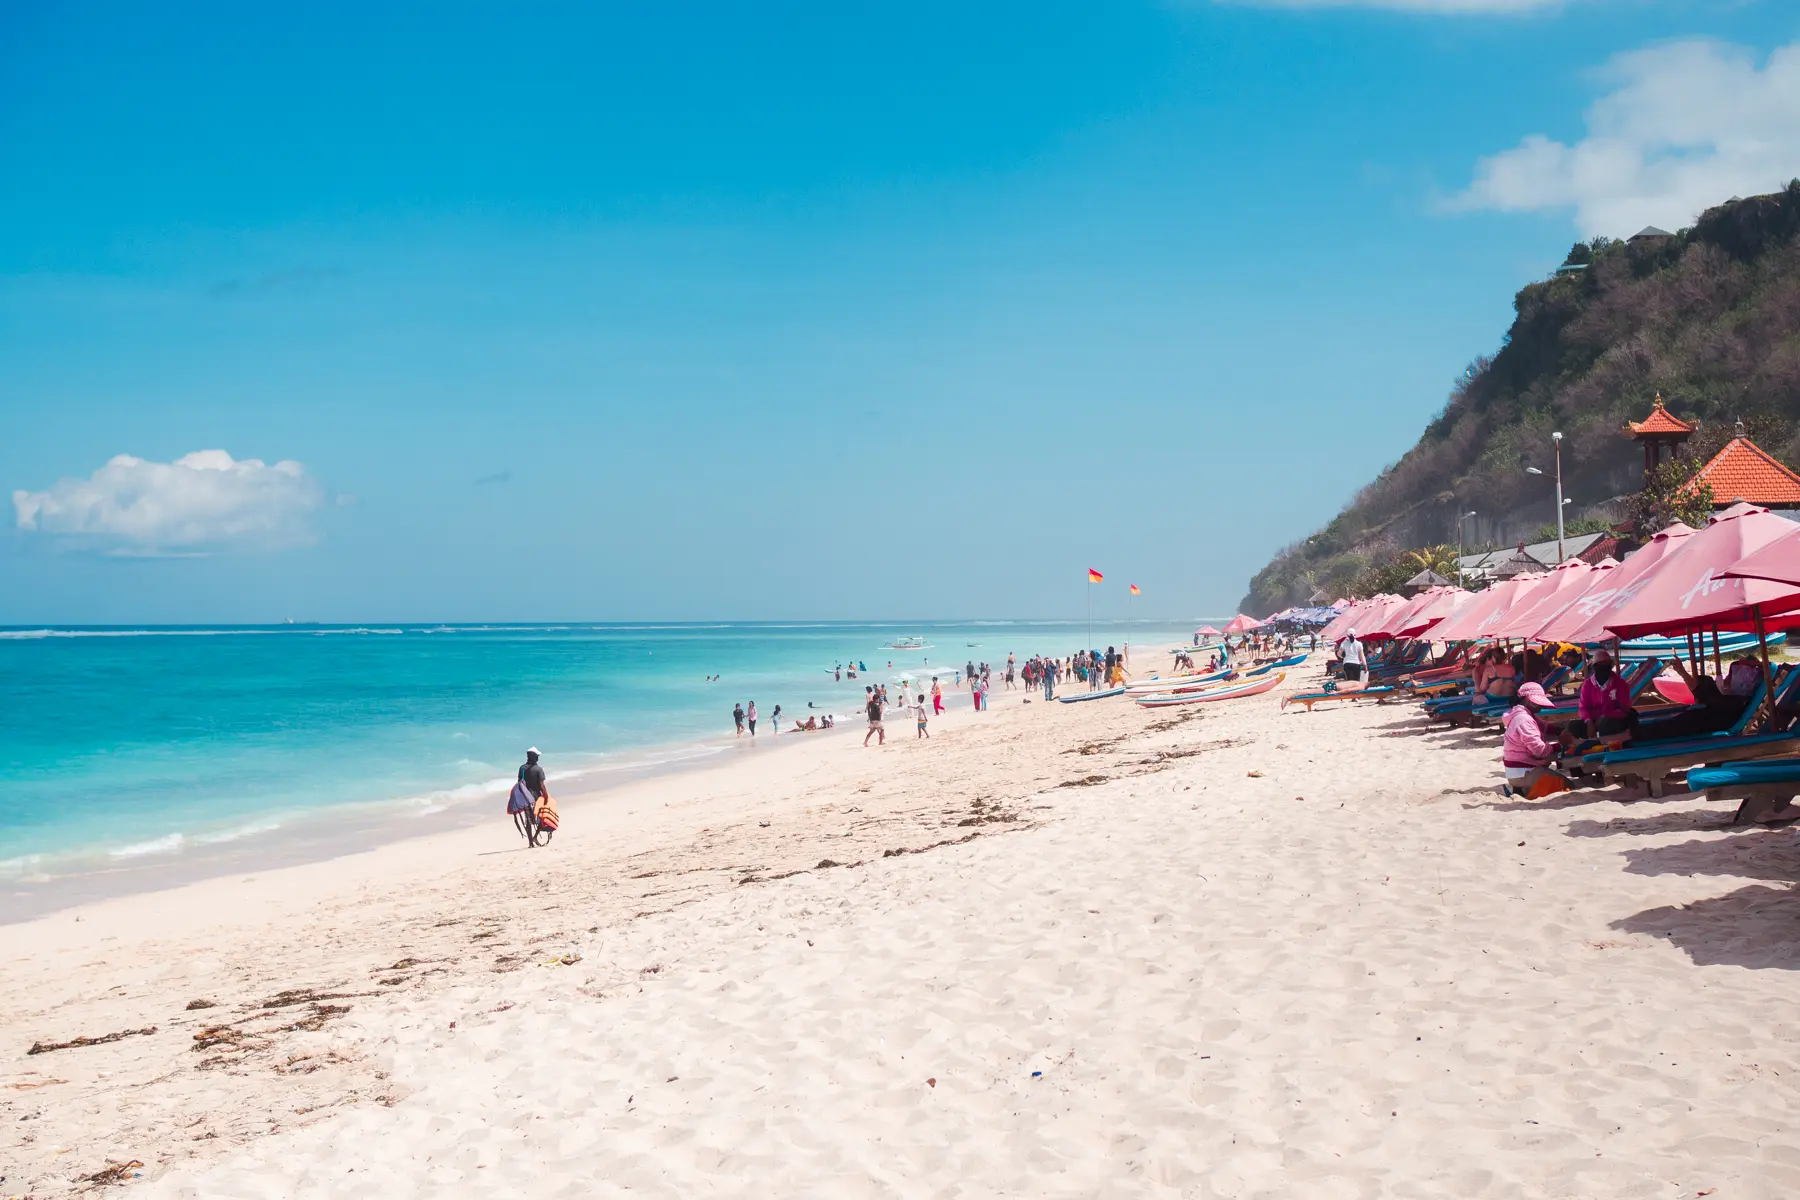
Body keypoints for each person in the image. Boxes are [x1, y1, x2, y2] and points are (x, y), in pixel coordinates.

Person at [1503, 682, 1568, 797]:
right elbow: (1539, 750)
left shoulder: (1524, 714)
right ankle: (1524, 790)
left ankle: (1521, 789)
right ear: (1528, 700)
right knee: (1566, 786)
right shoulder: (1524, 719)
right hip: (1523, 771)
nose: (1541, 706)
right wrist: (1561, 745)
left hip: (1518, 770)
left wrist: (1558, 730)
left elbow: (1543, 726)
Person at [1575, 653, 1637, 741]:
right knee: (1573, 726)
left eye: (1606, 665)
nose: (1603, 667)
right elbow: (1583, 707)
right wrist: (1588, 721)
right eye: (1600, 665)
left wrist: (1605, 716)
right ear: (1594, 667)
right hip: (1593, 720)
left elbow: (1624, 708)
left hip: (1614, 720)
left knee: (1610, 724)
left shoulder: (1620, 684)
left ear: (1610, 666)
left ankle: (1605, 744)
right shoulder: (1587, 684)